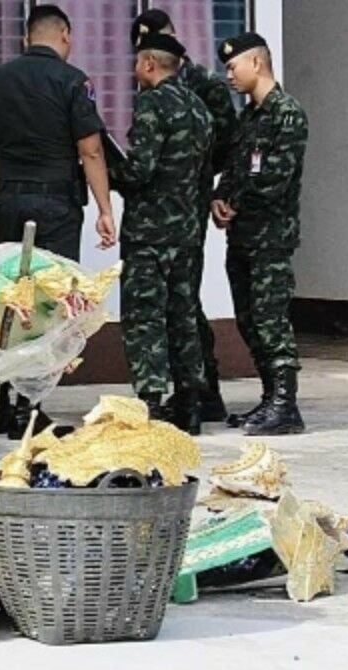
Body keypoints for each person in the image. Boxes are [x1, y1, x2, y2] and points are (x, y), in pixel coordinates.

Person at [0, 3, 117, 439]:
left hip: (13, 199)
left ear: (25, 39)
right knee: (49, 304)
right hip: (57, 205)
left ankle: (2, 399)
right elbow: (90, 150)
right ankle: (30, 406)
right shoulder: (72, 82)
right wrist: (106, 209)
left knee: (11, 300)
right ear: (66, 37)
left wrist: (2, 199)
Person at [132, 9, 238, 424]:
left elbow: (228, 142)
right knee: (178, 305)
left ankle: (202, 389)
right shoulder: (159, 91)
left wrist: (216, 192)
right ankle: (191, 394)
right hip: (175, 210)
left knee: (182, 304)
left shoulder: (201, 86)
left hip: (186, 208)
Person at [109, 32, 212, 435]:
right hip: (187, 232)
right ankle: (189, 402)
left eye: (137, 63)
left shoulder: (153, 104)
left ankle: (150, 401)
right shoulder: (199, 108)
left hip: (150, 234)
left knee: (144, 317)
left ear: (150, 64)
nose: (134, 71)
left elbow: (140, 170)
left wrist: (107, 168)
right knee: (183, 316)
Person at [211, 32, 308, 436]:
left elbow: (276, 179)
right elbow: (235, 170)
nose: (229, 75)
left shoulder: (287, 114)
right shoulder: (248, 117)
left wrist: (238, 203)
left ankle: (287, 405)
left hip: (270, 237)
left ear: (258, 63)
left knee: (271, 320)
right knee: (249, 320)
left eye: (233, 67)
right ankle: (270, 399)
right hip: (243, 237)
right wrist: (219, 198)